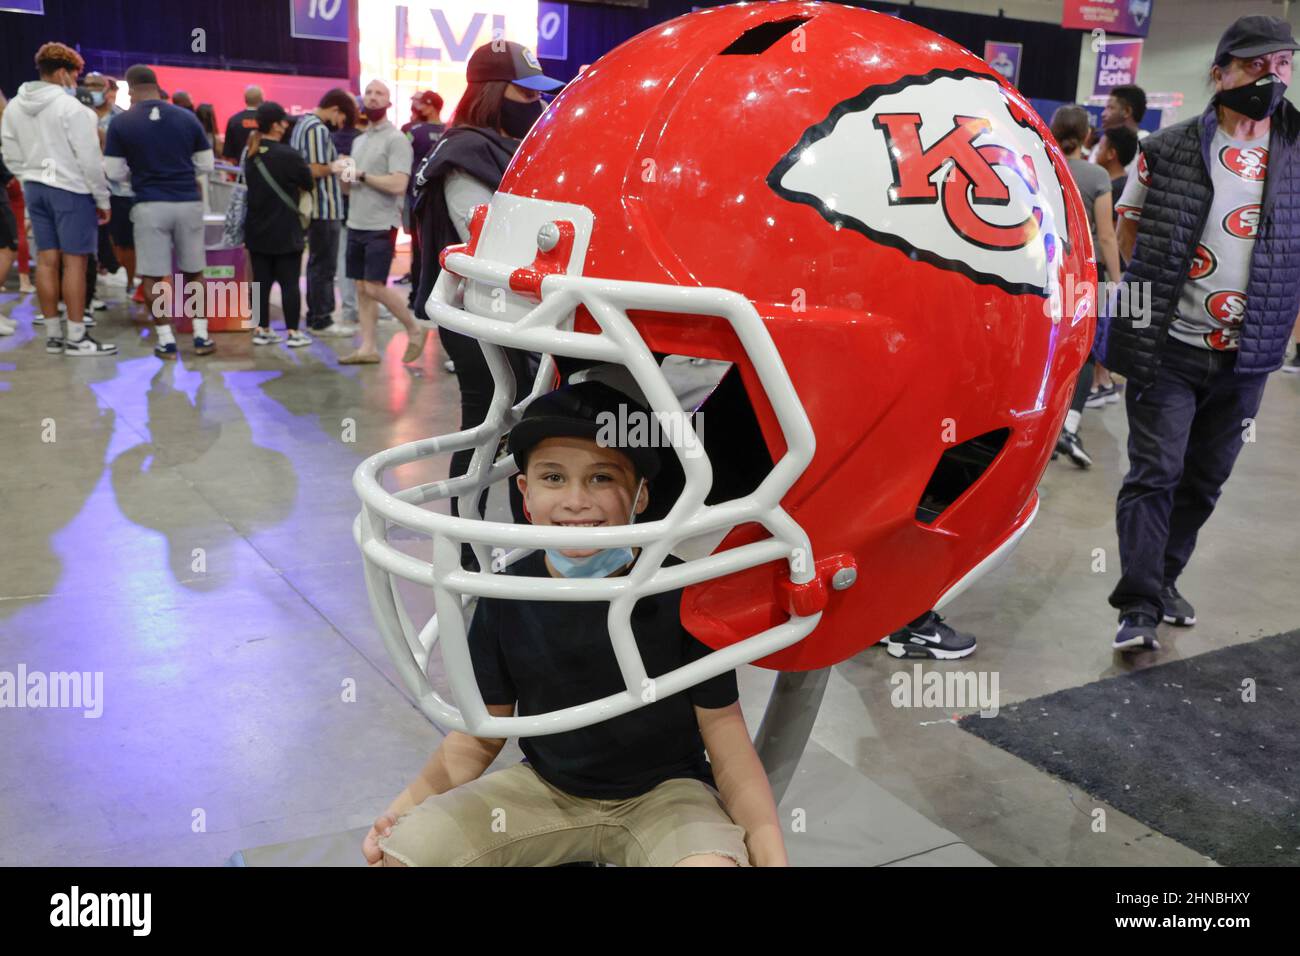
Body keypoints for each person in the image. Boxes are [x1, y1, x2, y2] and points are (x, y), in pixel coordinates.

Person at [365, 381, 784, 868]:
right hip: (545, 789)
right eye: (553, 478)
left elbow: (726, 737)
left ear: (640, 495)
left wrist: (769, 849)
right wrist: (400, 812)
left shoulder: (683, 589)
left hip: (668, 796)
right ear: (525, 493)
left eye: (602, 478)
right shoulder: (509, 594)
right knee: (408, 855)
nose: (576, 501)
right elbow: (481, 735)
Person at [1107, 16, 1300, 652]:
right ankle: (1136, 605)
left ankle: (1163, 578)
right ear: (1219, 74)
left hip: (1247, 360)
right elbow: (1129, 233)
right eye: (1255, 65)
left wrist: (1284, 333)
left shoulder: (1297, 155)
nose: (1270, 78)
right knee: (1155, 470)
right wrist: (1132, 334)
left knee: (1204, 479)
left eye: (1282, 66)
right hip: (1170, 348)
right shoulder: (1165, 150)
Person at [412, 41, 562, 538]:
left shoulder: (499, 147)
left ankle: (521, 542)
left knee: (521, 427)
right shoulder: (465, 152)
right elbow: (483, 239)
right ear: (496, 92)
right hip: (480, 314)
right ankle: (465, 539)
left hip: (518, 313)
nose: (537, 104)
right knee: (485, 424)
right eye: (526, 92)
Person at [1, 42, 115, 356]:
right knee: (75, 263)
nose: (76, 83)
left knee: (47, 262)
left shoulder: (13, 107)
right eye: (76, 76)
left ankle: (53, 335)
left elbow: (9, 153)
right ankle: (77, 337)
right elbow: (90, 160)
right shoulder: (72, 109)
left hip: (35, 188)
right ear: (64, 73)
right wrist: (102, 200)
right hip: (71, 189)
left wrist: (29, 176)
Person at [105, 64, 216, 359]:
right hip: (187, 202)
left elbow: (113, 172)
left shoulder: (122, 123)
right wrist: (179, 172)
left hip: (148, 204)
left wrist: (139, 175)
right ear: (157, 85)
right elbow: (206, 165)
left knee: (154, 276)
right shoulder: (186, 117)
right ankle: (201, 337)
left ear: (130, 89)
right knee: (193, 273)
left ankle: (166, 340)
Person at [332, 79, 426, 365]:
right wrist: (344, 176)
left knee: (374, 286)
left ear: (388, 102)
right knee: (362, 288)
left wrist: (360, 175)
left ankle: (414, 328)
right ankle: (368, 348)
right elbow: (349, 188)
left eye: (379, 94)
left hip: (381, 224)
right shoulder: (359, 141)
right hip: (356, 221)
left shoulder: (396, 139)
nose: (373, 98)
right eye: (369, 93)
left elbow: (399, 184)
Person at [1049, 105, 1123, 469]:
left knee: (1043, 352)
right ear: (1088, 136)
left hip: (1041, 274)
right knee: (1082, 354)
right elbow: (1107, 236)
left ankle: (1037, 430)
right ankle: (1069, 427)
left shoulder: (1039, 166)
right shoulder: (1096, 176)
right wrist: (1119, 281)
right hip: (1081, 276)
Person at [243, 102, 313, 348]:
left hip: (256, 229)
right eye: (283, 121)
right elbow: (308, 183)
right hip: (286, 229)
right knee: (289, 283)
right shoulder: (289, 155)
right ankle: (293, 332)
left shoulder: (250, 153)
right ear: (275, 125)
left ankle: (261, 329)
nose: (286, 125)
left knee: (260, 282)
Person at [289, 88, 356, 336]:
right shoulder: (317, 128)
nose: (340, 125)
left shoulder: (302, 124)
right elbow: (314, 169)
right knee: (324, 266)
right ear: (335, 110)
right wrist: (338, 165)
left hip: (318, 207)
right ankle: (322, 318)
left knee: (317, 264)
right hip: (324, 207)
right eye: (341, 119)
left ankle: (316, 315)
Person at [1087, 124, 1140, 406]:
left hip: (1112, 270)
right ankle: (1104, 380)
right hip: (1117, 271)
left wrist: (1117, 277)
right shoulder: (1124, 184)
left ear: (1111, 153)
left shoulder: (1113, 188)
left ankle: (1099, 382)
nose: (1095, 150)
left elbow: (1111, 234)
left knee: (1101, 327)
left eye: (1100, 145)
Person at [399, 90, 444, 297]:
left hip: (417, 197)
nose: (418, 107)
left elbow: (401, 154)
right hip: (441, 199)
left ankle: (417, 294)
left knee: (418, 248)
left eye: (421, 103)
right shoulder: (451, 131)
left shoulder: (413, 131)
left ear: (431, 106)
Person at [222, 85, 263, 164]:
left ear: (245, 100)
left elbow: (228, 152)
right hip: (263, 166)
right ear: (261, 99)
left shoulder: (234, 120)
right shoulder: (267, 120)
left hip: (240, 167)